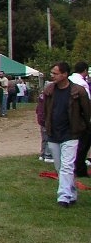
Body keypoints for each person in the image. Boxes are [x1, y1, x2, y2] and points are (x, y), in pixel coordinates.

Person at [40, 61, 90, 208]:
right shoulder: (49, 90)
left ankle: (63, 196)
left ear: (65, 74)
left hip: (71, 134)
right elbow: (45, 110)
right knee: (60, 167)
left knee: (67, 166)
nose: (52, 76)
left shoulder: (78, 91)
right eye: (52, 73)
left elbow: (86, 111)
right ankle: (72, 193)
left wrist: (84, 127)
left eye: (55, 73)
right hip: (54, 133)